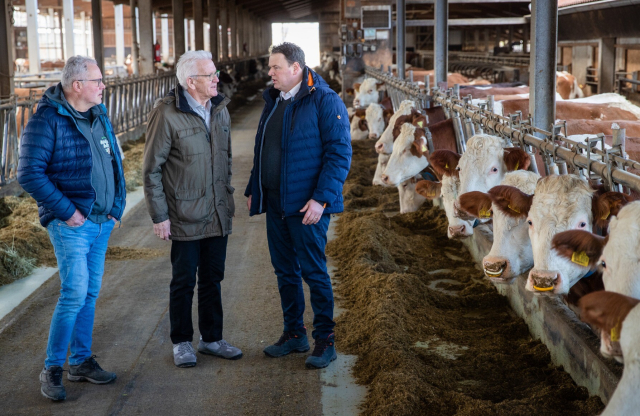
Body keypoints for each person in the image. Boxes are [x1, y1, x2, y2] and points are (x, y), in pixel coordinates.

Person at [17, 56, 126, 401]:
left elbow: (115, 161)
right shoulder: (46, 120)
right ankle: (52, 368)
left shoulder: (99, 114)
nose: (103, 86)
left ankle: (80, 361)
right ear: (77, 85)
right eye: (97, 81)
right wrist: (66, 212)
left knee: (90, 293)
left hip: (101, 222)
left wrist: (117, 206)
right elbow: (29, 173)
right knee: (75, 293)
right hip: (72, 225)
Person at [244, 42, 351, 369]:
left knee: (313, 270)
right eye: (270, 68)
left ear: (296, 68)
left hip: (308, 205)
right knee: (284, 270)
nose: (270, 73)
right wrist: (254, 186)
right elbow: (263, 148)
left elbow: (339, 155)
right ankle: (294, 334)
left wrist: (321, 199)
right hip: (276, 201)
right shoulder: (274, 99)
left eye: (275, 67)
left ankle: (325, 340)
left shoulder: (324, 100)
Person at [143, 50, 241, 369]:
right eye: (210, 75)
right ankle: (182, 341)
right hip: (184, 213)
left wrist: (226, 198)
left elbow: (225, 160)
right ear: (190, 81)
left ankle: (212, 338)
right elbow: (151, 169)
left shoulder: (220, 108)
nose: (217, 79)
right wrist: (160, 216)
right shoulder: (166, 113)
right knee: (184, 280)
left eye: (215, 73)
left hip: (216, 210)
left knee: (213, 277)